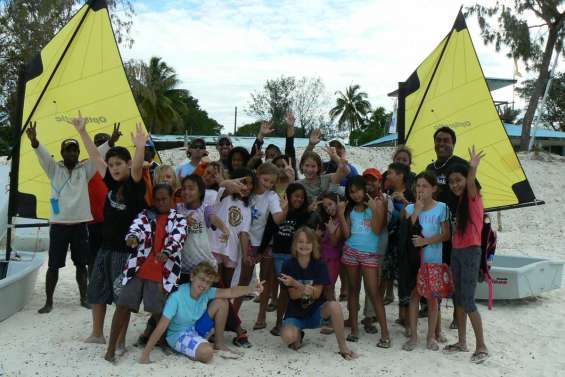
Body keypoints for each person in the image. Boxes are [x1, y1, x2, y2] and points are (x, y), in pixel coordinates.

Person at [25, 113, 105, 314]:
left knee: (81, 265)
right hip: (59, 227)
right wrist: (35, 142)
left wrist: (109, 143)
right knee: (53, 266)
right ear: (61, 152)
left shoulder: (85, 170)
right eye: (67, 150)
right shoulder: (54, 169)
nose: (71, 153)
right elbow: (42, 155)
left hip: (80, 226)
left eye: (74, 150)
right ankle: (49, 302)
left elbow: (97, 157)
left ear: (78, 152)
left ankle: (84, 297)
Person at [104, 184, 187, 362]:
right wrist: (132, 238)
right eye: (158, 199)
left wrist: (167, 252)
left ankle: (164, 342)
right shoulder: (145, 215)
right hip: (138, 269)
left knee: (158, 312)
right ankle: (111, 348)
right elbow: (135, 229)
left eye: (165, 199)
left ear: (172, 198)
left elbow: (178, 239)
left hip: (162, 272)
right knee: (122, 307)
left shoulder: (179, 219)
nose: (161, 202)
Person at [85, 123, 148, 346]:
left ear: (128, 164)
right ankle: (97, 333)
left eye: (119, 164)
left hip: (126, 251)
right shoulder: (110, 182)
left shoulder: (135, 185)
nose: (114, 168)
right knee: (97, 291)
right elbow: (95, 159)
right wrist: (82, 132)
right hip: (105, 247)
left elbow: (139, 168)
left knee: (122, 297)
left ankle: (119, 339)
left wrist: (139, 146)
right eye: (111, 164)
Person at [139, 262, 265, 364]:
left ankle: (219, 344)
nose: (204, 284)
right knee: (206, 353)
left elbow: (231, 292)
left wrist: (253, 288)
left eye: (208, 282)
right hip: (178, 335)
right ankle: (204, 346)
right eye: (202, 279)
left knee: (222, 302)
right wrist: (145, 355)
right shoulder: (176, 298)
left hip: (195, 329)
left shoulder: (207, 292)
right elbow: (161, 327)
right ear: (192, 277)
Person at [278, 227, 357, 360]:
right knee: (288, 337)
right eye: (300, 241)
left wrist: (296, 284)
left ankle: (343, 347)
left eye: (308, 242)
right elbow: (293, 295)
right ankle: (299, 335)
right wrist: (305, 288)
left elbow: (316, 294)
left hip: (316, 313)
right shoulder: (288, 265)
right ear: (294, 244)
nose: (304, 245)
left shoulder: (319, 265)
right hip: (295, 315)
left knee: (335, 306)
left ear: (314, 245)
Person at [444, 146, 489, 364]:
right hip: (457, 252)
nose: (455, 185)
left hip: (471, 252)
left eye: (458, 180)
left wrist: (472, 168)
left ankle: (481, 346)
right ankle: (462, 342)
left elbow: (470, 184)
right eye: (451, 181)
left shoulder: (473, 197)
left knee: (468, 301)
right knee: (458, 299)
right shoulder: (459, 202)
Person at [254, 183, 312, 335]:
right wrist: (260, 251)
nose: (299, 199)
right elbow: (269, 230)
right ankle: (280, 322)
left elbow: (304, 234)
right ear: (289, 196)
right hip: (278, 255)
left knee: (288, 291)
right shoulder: (277, 211)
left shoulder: (304, 214)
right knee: (283, 289)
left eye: (301, 197)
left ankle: (283, 322)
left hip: (293, 256)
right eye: (296, 196)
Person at [401, 171, 450, 352]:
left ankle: (431, 337)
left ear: (433, 189)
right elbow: (406, 233)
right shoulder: (409, 209)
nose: (420, 189)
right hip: (415, 263)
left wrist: (426, 241)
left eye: (425, 186)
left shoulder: (442, 208)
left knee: (432, 299)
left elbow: (446, 234)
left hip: (433, 261)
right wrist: (417, 209)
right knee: (414, 296)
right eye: (418, 186)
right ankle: (414, 336)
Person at [339, 176, 390, 347]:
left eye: (358, 190)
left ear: (364, 189)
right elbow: (346, 235)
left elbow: (376, 230)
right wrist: (340, 213)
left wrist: (375, 209)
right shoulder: (349, 209)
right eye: (352, 192)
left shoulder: (376, 205)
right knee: (353, 291)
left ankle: (385, 334)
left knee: (374, 292)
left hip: (369, 255)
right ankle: (354, 329)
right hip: (351, 252)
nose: (355, 195)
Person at [241, 162, 285, 314]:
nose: (268, 184)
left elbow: (278, 218)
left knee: (265, 279)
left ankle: (261, 316)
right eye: (265, 180)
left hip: (266, 243)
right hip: (247, 242)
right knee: (243, 280)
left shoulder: (271, 196)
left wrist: (285, 209)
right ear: (258, 175)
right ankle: (234, 314)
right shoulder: (248, 192)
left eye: (272, 182)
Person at [211, 168, 254, 296]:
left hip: (232, 251)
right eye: (243, 182)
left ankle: (223, 313)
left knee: (227, 286)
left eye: (250, 183)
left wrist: (245, 255)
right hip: (215, 247)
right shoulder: (225, 196)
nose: (246, 186)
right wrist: (229, 183)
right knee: (214, 283)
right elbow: (223, 186)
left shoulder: (247, 209)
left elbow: (244, 234)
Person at [384, 162, 415, 330]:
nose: (387, 176)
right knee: (394, 278)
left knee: (406, 280)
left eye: (390, 173)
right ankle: (401, 316)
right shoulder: (388, 192)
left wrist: (404, 202)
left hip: (406, 244)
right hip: (391, 242)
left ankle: (407, 319)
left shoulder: (411, 193)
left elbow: (416, 217)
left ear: (401, 175)